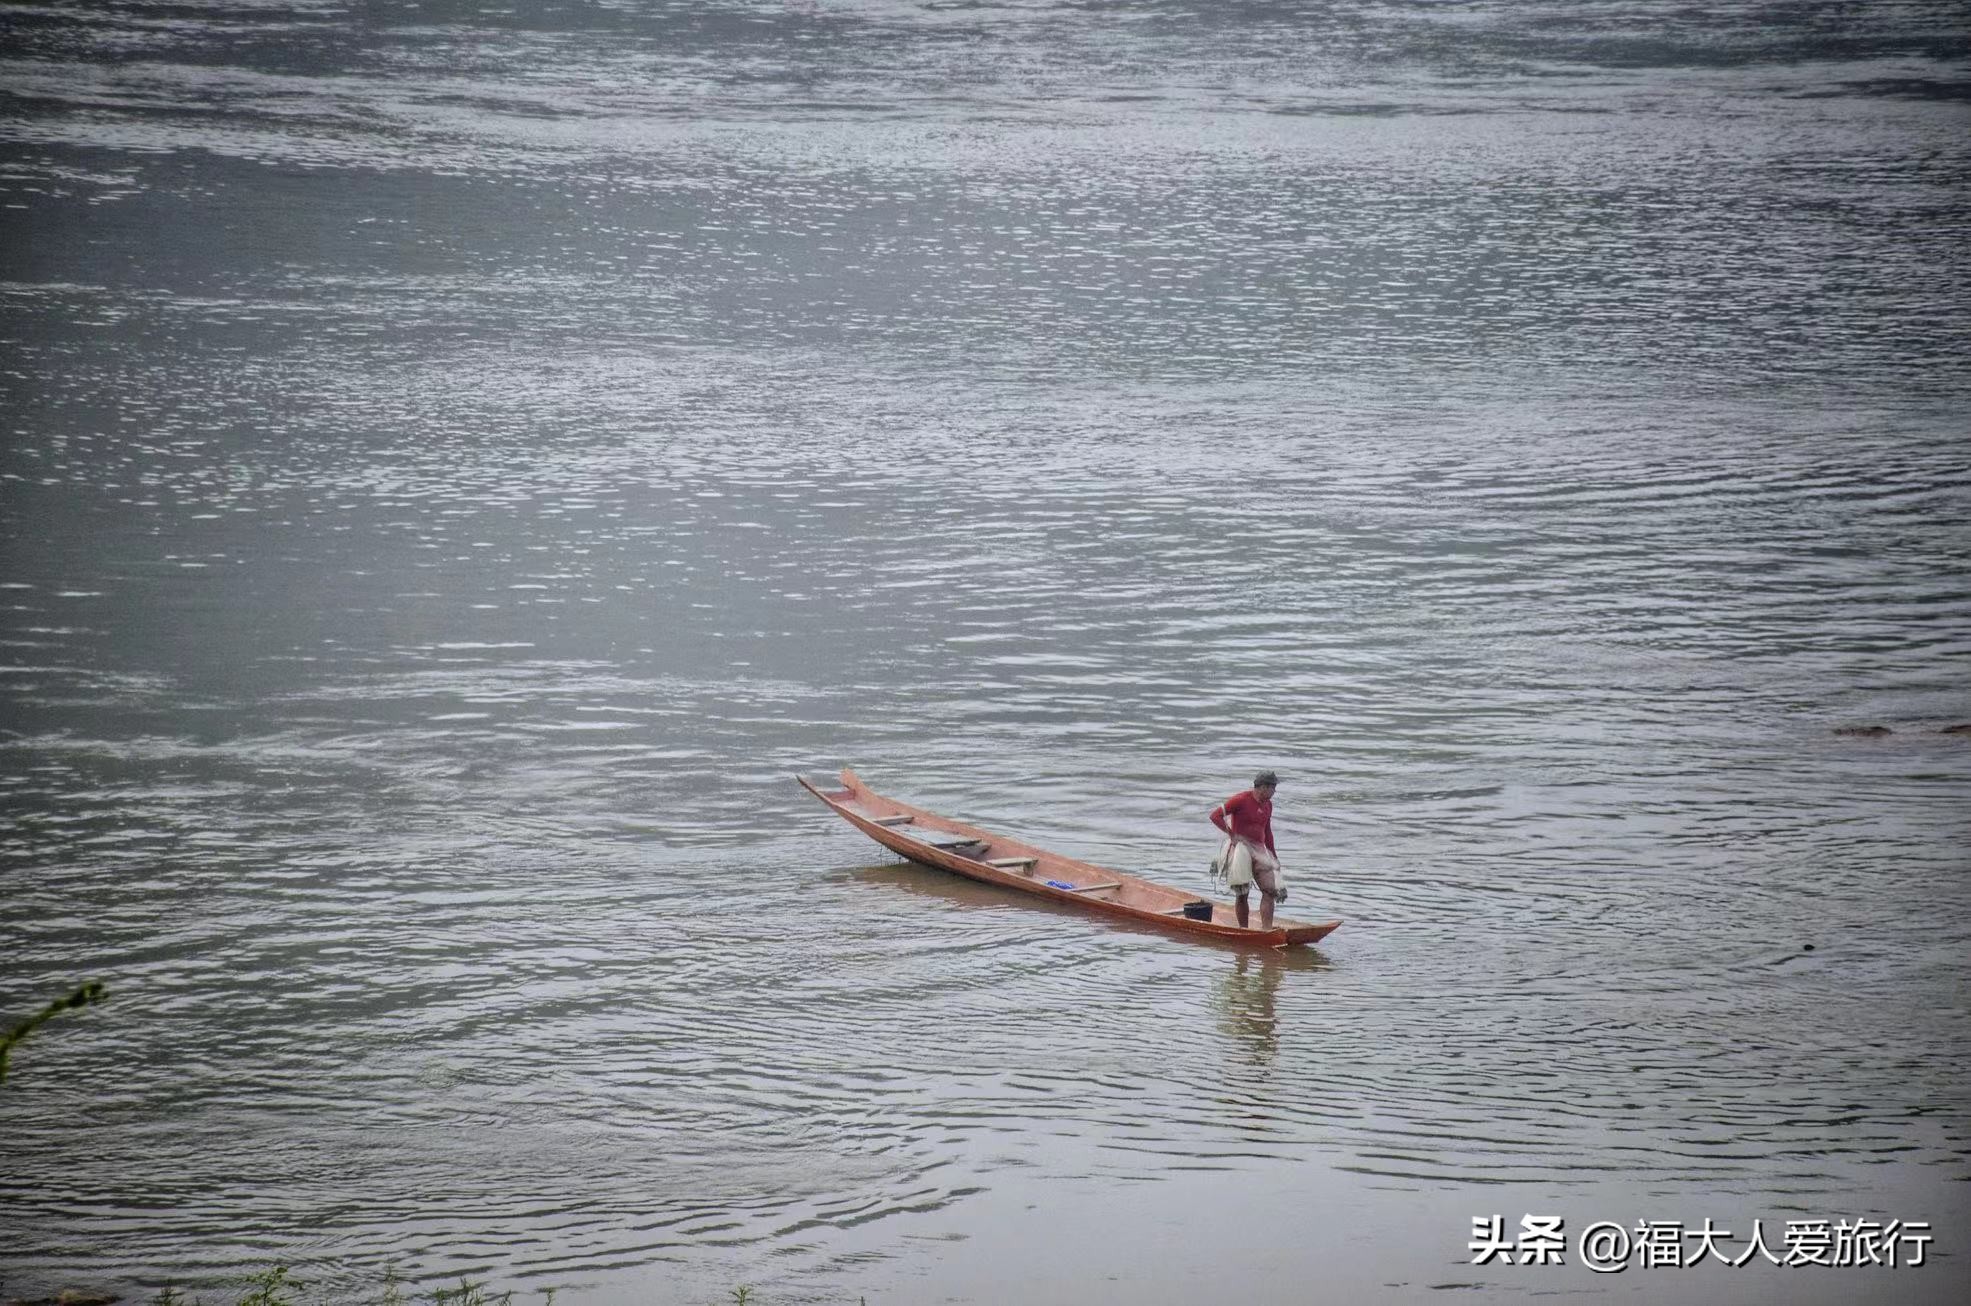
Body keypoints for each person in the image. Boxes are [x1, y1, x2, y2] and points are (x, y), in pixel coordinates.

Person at [1210, 770, 1285, 929]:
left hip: (1259, 851)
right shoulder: (1241, 800)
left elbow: (1267, 832)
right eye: (1273, 787)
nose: (1274, 792)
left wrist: (1273, 856)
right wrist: (1232, 834)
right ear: (1263, 787)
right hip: (1241, 851)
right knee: (1242, 894)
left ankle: (1266, 930)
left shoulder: (1268, 805)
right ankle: (1243, 930)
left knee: (1270, 890)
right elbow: (1215, 816)